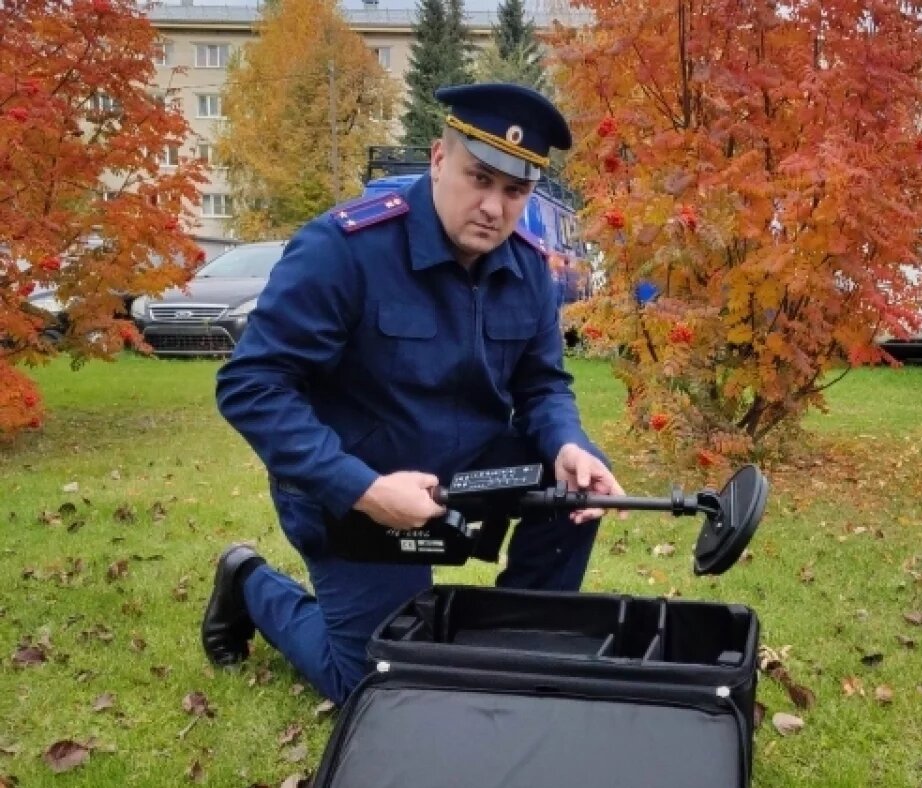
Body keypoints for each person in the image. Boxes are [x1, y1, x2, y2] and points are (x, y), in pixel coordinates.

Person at [204, 83, 624, 706]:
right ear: (436, 159)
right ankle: (251, 585)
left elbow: (542, 384)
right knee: (376, 688)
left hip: (464, 467)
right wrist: (365, 491)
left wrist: (568, 442)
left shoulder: (529, 268)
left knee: (576, 492)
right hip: (350, 484)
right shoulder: (343, 250)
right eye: (478, 178)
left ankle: (509, 646)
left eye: (515, 191)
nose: (494, 207)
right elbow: (252, 384)